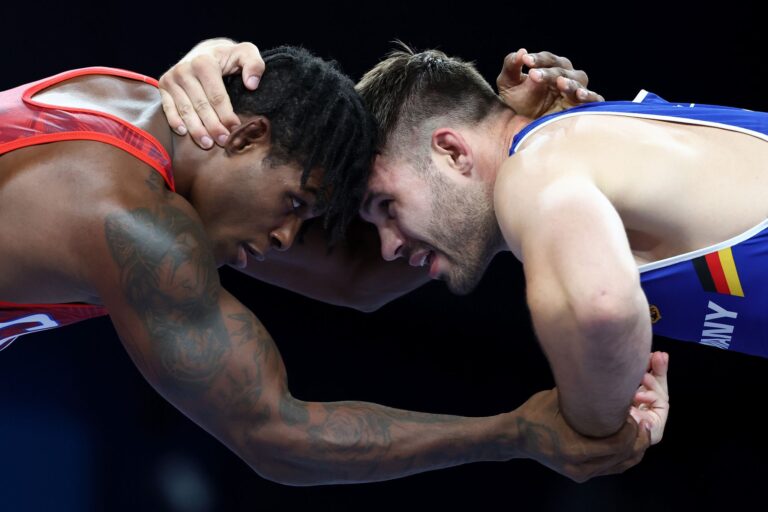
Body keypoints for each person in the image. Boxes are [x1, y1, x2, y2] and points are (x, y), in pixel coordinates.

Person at [0, 43, 654, 485]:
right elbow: (272, 433)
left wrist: (499, 150)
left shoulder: (149, 109)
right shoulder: (128, 218)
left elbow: (351, 280)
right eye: (293, 203)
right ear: (248, 136)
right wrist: (518, 432)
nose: (287, 237)